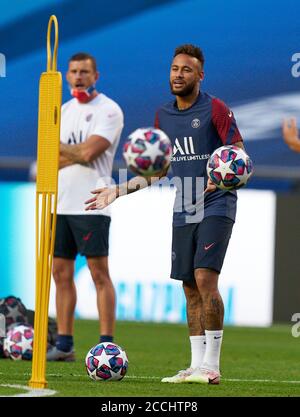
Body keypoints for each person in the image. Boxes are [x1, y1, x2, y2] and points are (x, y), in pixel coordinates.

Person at [85, 44, 245, 384]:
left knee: (205, 278)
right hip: (183, 203)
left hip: (217, 203)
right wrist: (117, 190)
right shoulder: (163, 117)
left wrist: (220, 180)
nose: (178, 74)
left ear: (200, 75)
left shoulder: (216, 109)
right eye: (174, 68)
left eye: (186, 70)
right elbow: (159, 171)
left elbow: (239, 155)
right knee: (189, 287)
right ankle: (194, 365)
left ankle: (212, 367)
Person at [47, 52, 124, 361]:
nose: (78, 76)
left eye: (84, 72)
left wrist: (56, 146)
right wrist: (70, 152)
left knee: (98, 273)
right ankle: (65, 343)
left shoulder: (108, 110)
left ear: (96, 76)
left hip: (93, 200)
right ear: (66, 76)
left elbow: (89, 154)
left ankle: (107, 343)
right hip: (61, 201)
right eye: (74, 71)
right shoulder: (63, 110)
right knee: (60, 272)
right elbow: (48, 161)